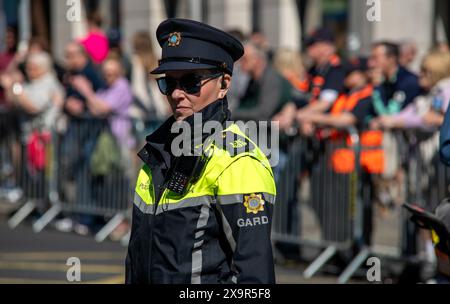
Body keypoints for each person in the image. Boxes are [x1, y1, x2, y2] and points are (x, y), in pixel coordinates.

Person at [125, 18, 277, 284]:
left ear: (224, 84)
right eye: (168, 83)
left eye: (191, 82)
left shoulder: (238, 160)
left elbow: (255, 279)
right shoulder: (157, 150)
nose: (176, 94)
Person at [233, 40, 292, 122]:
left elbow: (263, 113)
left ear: (257, 59)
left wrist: (232, 113)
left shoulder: (271, 79)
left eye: (245, 59)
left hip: (272, 132)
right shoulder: (253, 80)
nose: (240, 63)